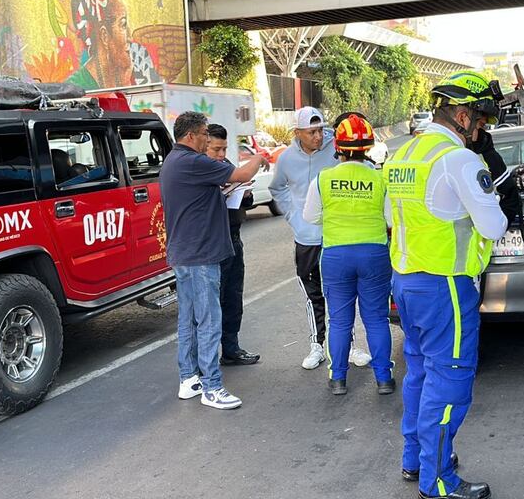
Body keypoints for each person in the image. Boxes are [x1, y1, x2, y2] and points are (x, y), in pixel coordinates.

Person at [385, 70, 509, 499]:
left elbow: (393, 218)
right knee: (451, 381)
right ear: (461, 115)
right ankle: (437, 481)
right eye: (480, 122)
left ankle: (416, 460)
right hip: (446, 286)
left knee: (419, 373)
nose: (482, 131)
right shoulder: (458, 160)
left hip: (406, 281)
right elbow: (493, 225)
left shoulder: (403, 155)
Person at [159, 111, 264, 410]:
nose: (208, 139)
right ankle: (212, 386)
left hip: (185, 253)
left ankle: (189, 379)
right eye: (205, 133)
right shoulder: (192, 162)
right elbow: (243, 175)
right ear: (191, 136)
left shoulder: (173, 161)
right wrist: (259, 158)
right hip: (200, 254)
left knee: (189, 320)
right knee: (208, 320)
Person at [270, 106, 372, 370]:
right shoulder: (286, 159)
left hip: (335, 237)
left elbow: (360, 168)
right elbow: (277, 187)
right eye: (312, 132)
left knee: (341, 294)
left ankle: (348, 346)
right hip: (305, 239)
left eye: (320, 130)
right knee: (313, 293)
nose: (318, 136)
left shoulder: (335, 148)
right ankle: (317, 345)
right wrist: (292, 215)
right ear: (298, 133)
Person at [302, 112, 394, 396]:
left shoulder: (323, 178)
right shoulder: (380, 179)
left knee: (340, 321)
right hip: (374, 254)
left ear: (338, 147)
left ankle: (338, 378)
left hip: (336, 257)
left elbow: (310, 217)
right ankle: (383, 379)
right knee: (376, 319)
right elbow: (391, 219)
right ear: (367, 148)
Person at [206, 124, 260, 367]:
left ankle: (231, 349)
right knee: (212, 302)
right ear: (203, 146)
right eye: (216, 149)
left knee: (233, 297)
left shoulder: (226, 166)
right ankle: (205, 359)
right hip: (213, 244)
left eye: (224, 149)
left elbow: (243, 198)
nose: (220, 154)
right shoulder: (201, 169)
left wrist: (245, 195)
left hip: (234, 238)